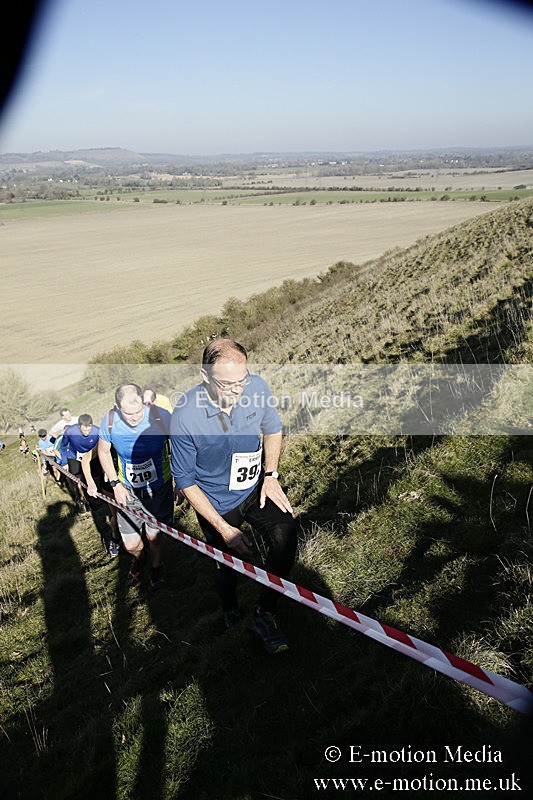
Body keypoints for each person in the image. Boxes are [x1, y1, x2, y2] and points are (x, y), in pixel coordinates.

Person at [170, 339, 297, 654]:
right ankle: (229, 608)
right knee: (229, 564)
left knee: (286, 534)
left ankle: (264, 612)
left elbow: (273, 429)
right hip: (216, 502)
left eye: (242, 380)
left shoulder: (256, 387)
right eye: (227, 384)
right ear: (204, 376)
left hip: (255, 488)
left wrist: (271, 476)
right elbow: (185, 480)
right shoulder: (185, 416)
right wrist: (224, 528)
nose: (238, 390)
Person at [97, 384, 173, 589]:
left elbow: (180, 444)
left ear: (144, 401)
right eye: (128, 413)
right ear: (117, 407)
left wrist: (182, 482)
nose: (135, 417)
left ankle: (157, 567)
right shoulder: (110, 420)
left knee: (154, 537)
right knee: (131, 544)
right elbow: (103, 452)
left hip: (159, 488)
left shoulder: (160, 416)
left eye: (139, 411)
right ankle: (139, 558)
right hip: (127, 490)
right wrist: (115, 484)